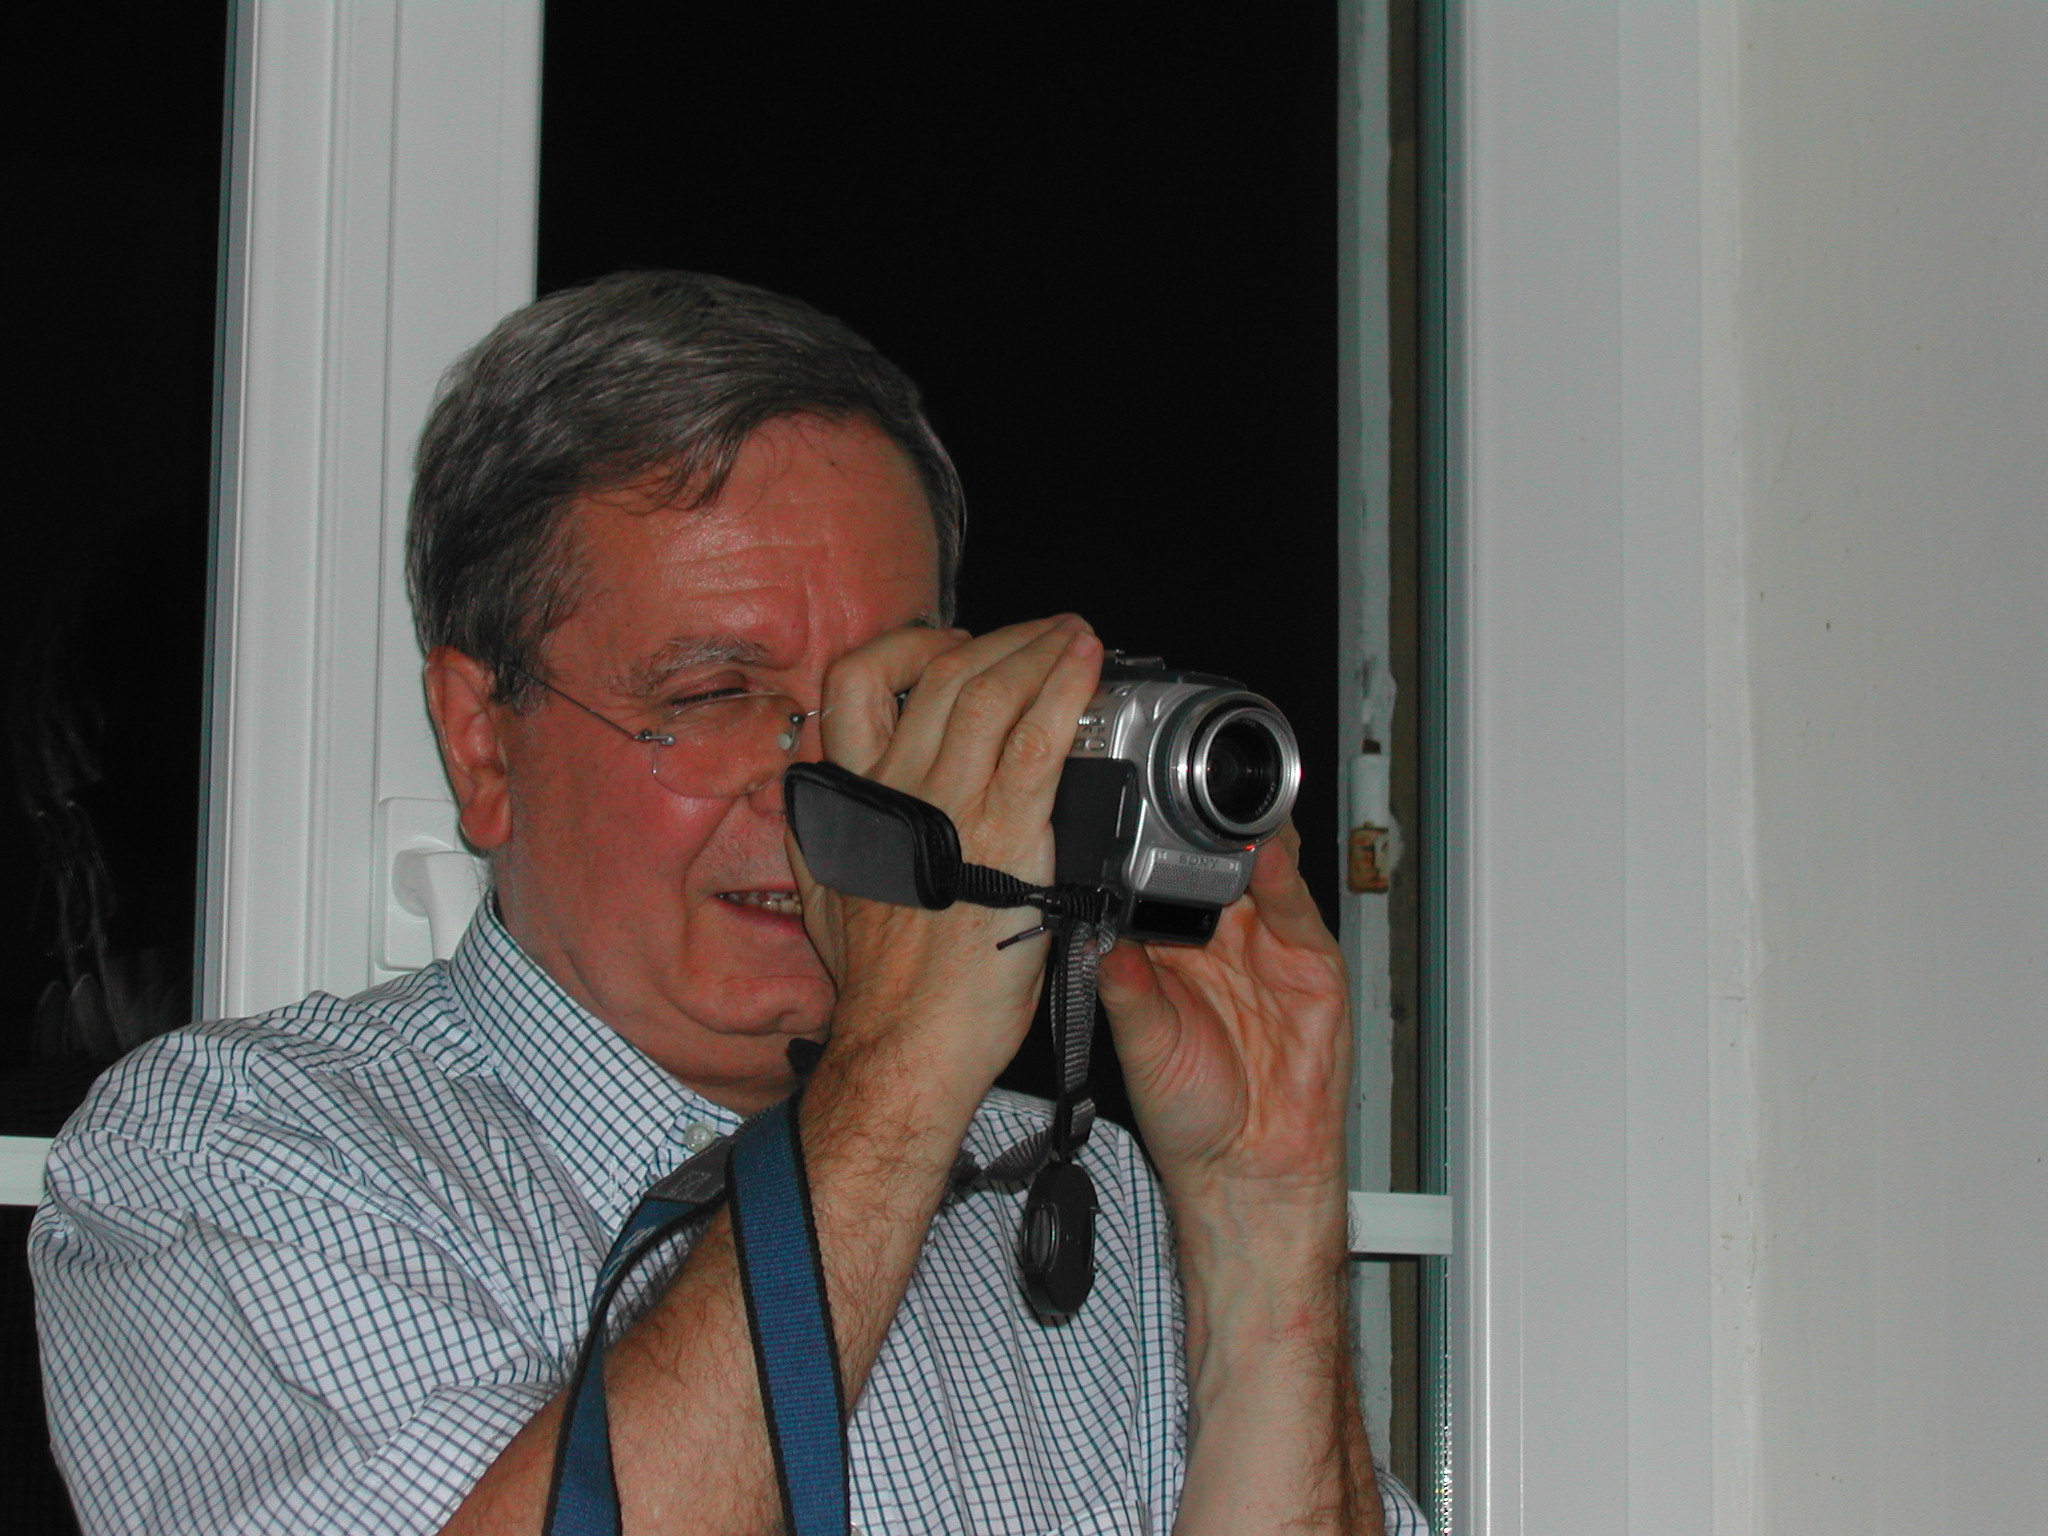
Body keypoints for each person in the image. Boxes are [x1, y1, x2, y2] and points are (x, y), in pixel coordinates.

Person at [33, 272, 1427, 1535]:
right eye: (712, 696)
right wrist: (903, 1072)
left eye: (888, 697)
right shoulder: (241, 1153)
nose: (821, 783)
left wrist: (1263, 1219)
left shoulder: (1088, 1200)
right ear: (482, 742)